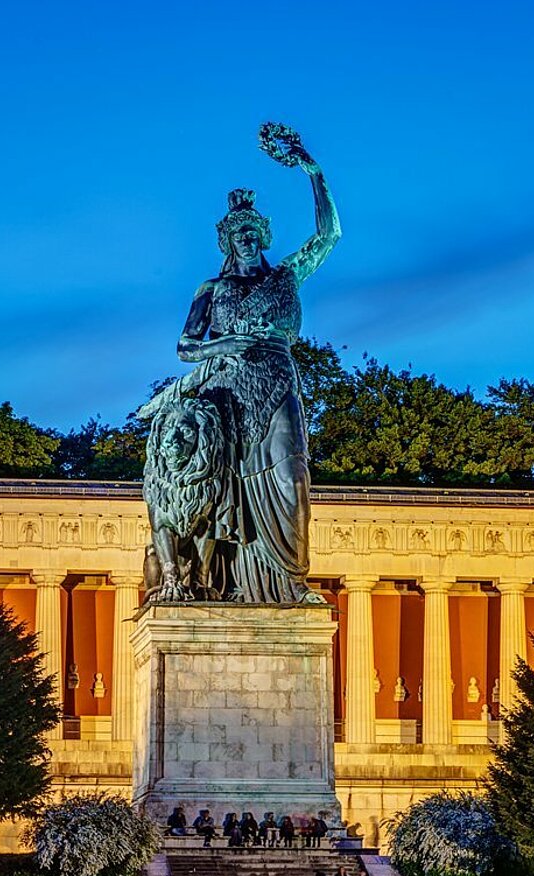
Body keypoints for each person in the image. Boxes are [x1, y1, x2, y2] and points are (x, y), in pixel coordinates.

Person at [146, 128, 340, 604]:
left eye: (253, 231)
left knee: (293, 479)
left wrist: (311, 170)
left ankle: (291, 582)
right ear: (227, 240)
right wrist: (227, 343)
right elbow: (187, 347)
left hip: (277, 381)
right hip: (228, 395)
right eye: (239, 233)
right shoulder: (210, 289)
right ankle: (229, 582)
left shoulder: (286, 275)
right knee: (224, 491)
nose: (248, 238)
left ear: (264, 234)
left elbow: (329, 235)